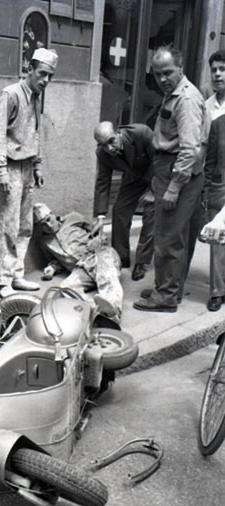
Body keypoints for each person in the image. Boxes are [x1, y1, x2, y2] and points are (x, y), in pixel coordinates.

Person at [133, 46, 205, 313]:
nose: (162, 79)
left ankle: (166, 296)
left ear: (180, 68)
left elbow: (189, 149)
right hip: (170, 168)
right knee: (175, 236)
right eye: (157, 74)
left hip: (178, 172)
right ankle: (169, 287)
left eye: (167, 72)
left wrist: (174, 188)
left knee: (167, 237)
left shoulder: (185, 99)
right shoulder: (173, 94)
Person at [0, 47, 58, 298]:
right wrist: (0, 170)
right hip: (10, 166)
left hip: (27, 166)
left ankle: (16, 274)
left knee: (25, 225)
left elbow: (35, 133)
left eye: (50, 76)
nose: (45, 80)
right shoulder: (11, 94)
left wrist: (37, 165)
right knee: (7, 224)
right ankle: (1, 279)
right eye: (42, 74)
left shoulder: (36, 97)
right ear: (30, 69)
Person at [33, 202, 123, 325]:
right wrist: (52, 268)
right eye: (43, 225)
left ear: (53, 214)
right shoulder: (45, 242)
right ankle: (96, 312)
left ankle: (113, 313)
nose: (48, 225)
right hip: (81, 268)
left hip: (100, 254)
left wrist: (99, 239)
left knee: (106, 277)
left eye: (48, 220)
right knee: (65, 289)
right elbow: (56, 261)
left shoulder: (73, 218)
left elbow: (98, 230)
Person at [93, 121, 155, 281]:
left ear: (118, 132)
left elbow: (159, 161)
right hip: (133, 178)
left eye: (111, 141)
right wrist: (100, 216)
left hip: (155, 175)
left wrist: (153, 190)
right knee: (119, 210)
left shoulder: (141, 133)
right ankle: (120, 258)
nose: (109, 148)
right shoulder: (102, 154)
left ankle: (142, 261)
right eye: (103, 145)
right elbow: (103, 182)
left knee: (151, 213)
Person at [203, 50, 225, 312]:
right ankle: (217, 290)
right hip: (219, 182)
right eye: (215, 69)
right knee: (218, 238)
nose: (218, 74)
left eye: (223, 69)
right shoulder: (208, 108)